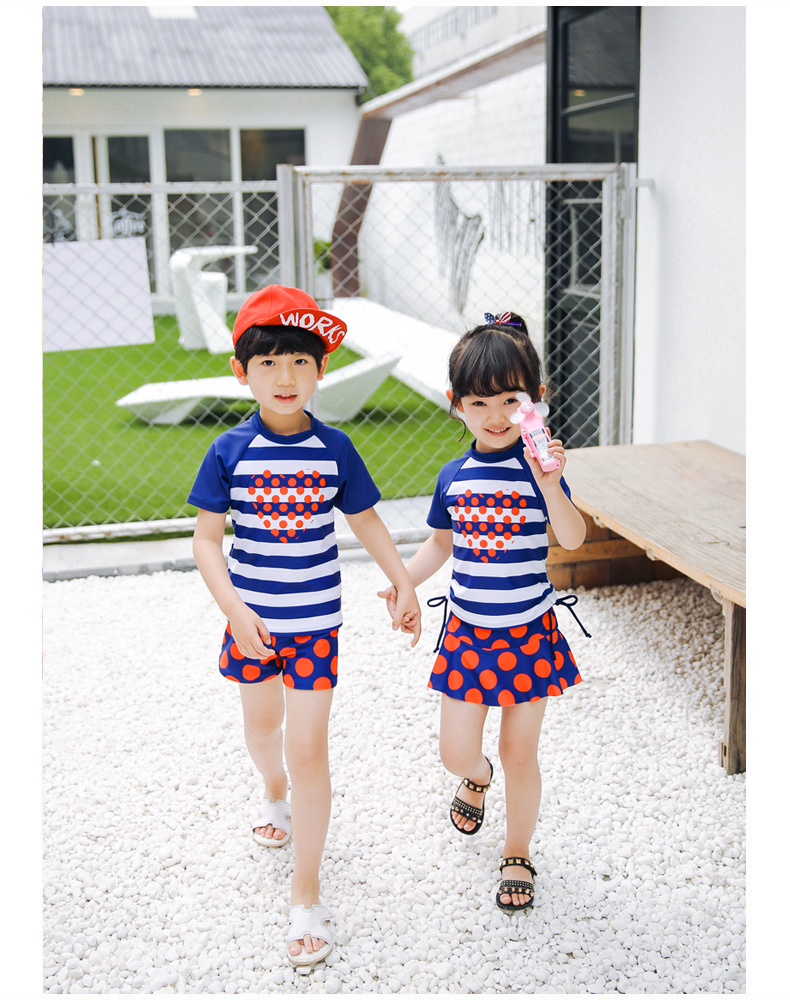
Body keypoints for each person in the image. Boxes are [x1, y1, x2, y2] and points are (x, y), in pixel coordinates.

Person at [188, 284, 421, 966]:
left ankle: (306, 895)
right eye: (269, 362)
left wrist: (404, 579)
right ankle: (272, 793)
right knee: (264, 731)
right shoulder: (228, 450)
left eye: (299, 361)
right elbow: (206, 541)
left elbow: (366, 519)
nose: (285, 376)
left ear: (321, 369)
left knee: (308, 749)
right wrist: (234, 610)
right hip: (251, 627)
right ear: (242, 371)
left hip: (316, 626)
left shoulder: (336, 448)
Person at [379, 311, 588, 912]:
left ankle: (517, 850)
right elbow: (441, 543)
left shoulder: (539, 472)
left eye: (510, 401)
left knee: (522, 752)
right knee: (454, 751)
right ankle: (477, 775)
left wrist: (549, 484)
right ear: (456, 405)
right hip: (468, 635)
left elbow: (573, 538)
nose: (495, 416)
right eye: (479, 402)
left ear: (535, 400)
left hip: (530, 634)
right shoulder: (454, 476)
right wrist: (403, 583)